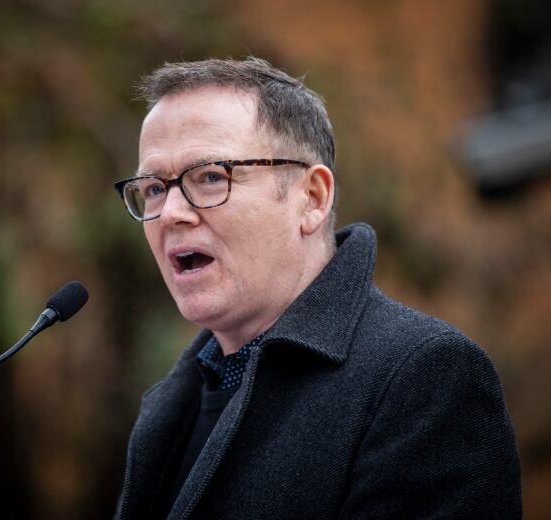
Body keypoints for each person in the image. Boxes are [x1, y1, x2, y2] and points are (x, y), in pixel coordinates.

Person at [112, 57, 521, 519]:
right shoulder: (169, 402)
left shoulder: (425, 377)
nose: (169, 214)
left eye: (209, 177)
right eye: (153, 189)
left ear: (312, 198)